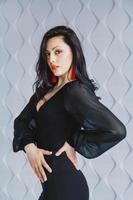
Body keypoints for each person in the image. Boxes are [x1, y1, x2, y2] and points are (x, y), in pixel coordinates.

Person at [12, 25, 127, 200]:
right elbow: (20, 122)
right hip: (51, 188)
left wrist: (74, 141)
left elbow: (117, 130)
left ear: (73, 52)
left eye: (58, 52)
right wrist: (30, 148)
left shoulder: (75, 91)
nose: (51, 59)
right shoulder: (43, 92)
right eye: (47, 54)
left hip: (67, 187)